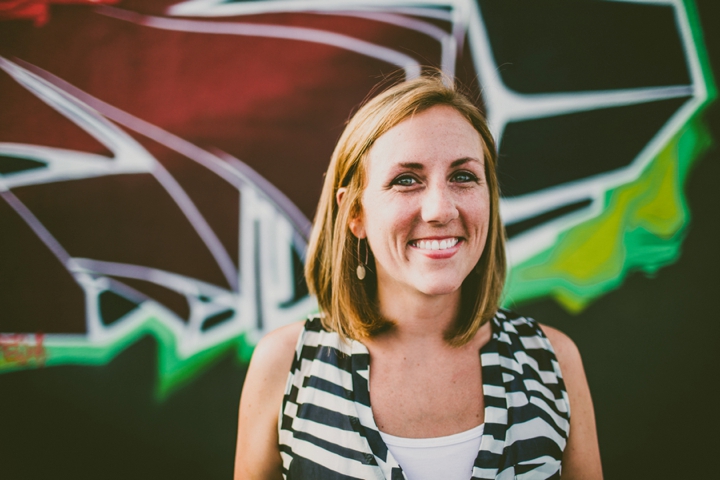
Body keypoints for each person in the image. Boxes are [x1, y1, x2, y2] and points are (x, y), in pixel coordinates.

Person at [234, 74, 603, 480]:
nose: (440, 210)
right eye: (406, 180)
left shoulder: (551, 360)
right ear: (355, 213)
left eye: (463, 176)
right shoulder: (287, 364)